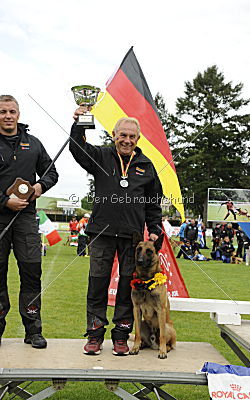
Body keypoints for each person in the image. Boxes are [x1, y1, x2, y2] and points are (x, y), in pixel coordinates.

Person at [70, 109, 162, 356]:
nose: (127, 140)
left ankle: (121, 336)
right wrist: (79, 123)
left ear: (138, 139)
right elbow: (77, 149)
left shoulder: (146, 166)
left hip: (132, 238)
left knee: (126, 286)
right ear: (114, 135)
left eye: (132, 136)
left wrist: (154, 230)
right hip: (101, 233)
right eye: (123, 135)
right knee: (97, 284)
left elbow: (154, 204)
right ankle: (95, 335)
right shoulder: (101, 155)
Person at [0, 95, 58, 348]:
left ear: (19, 114)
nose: (8, 116)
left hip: (26, 219)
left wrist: (39, 186)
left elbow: (51, 172)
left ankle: (33, 330)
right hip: (0, 217)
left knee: (31, 274)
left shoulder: (33, 144)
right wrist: (4, 202)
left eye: (12, 111)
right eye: (2, 112)